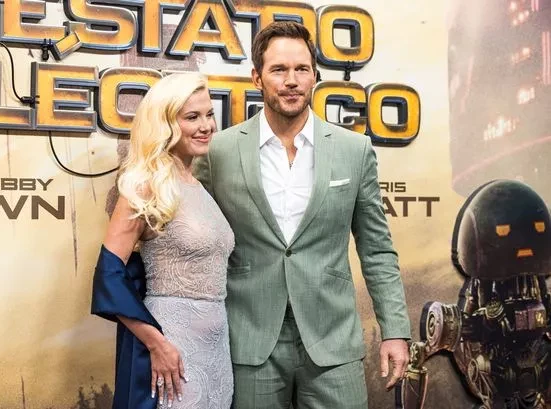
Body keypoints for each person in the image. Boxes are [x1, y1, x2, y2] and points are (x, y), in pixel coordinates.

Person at [194, 21, 411, 409]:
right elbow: (195, 243)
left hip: (333, 341)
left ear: (315, 76)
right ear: (257, 78)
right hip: (249, 339)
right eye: (279, 70)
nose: (291, 80)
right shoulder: (219, 152)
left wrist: (395, 331)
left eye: (301, 70)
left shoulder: (354, 150)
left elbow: (377, 250)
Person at [91, 72, 234, 409]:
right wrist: (156, 345)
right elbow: (109, 275)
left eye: (209, 114)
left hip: (216, 343)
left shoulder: (200, 185)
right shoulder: (145, 185)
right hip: (171, 340)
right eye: (192, 117)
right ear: (166, 123)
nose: (206, 126)